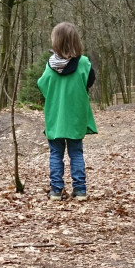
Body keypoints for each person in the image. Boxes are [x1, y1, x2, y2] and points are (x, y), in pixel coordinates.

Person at [37, 21, 97, 200]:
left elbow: (41, 84)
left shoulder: (50, 65)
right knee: (76, 153)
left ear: (56, 42)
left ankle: (56, 190)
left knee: (56, 154)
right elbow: (90, 80)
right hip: (75, 117)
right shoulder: (84, 63)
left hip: (55, 117)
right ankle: (80, 190)